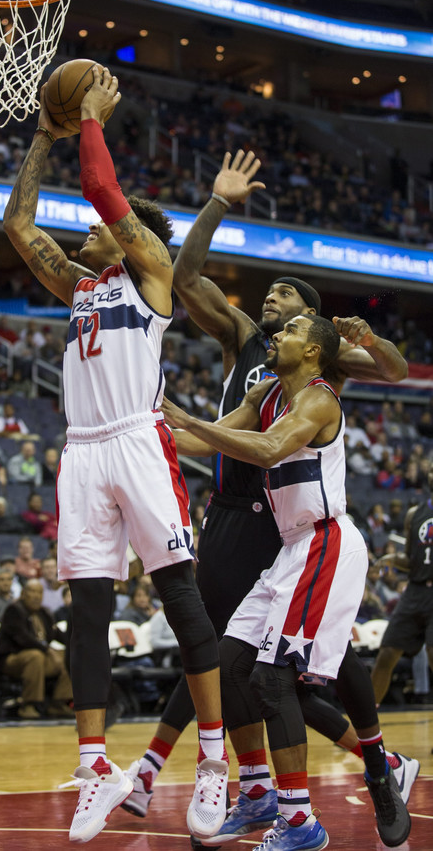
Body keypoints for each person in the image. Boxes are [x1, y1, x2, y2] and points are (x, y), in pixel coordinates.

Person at [124, 153, 417, 841]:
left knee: (293, 670)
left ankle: (362, 768)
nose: (269, 309)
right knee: (233, 664)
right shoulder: (254, 358)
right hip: (255, 525)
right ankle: (274, 790)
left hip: (299, 528)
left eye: (284, 305)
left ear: (312, 332)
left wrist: (368, 338)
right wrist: (152, 431)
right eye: (270, 305)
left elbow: (391, 373)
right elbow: (186, 278)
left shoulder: (317, 383)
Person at [2, 66, 232, 844]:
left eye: (103, 228)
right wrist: (42, 136)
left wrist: (92, 117)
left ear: (133, 236)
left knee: (181, 600)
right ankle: (95, 767)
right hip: (82, 452)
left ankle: (209, 761)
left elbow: (104, 192)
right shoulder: (80, 286)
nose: (88, 230)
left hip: (137, 439)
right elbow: (17, 227)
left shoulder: (153, 279)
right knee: (87, 611)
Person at [161, 313, 411, 850]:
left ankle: (304, 821)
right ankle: (318, 788)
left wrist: (187, 418)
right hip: (291, 550)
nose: (276, 335)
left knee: (275, 680)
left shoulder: (319, 399)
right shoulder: (270, 392)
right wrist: (152, 433)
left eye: (290, 329)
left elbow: (270, 449)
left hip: (325, 544)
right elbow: (218, 441)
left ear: (315, 351)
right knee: (227, 666)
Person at [370, 463, 433, 705]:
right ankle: (367, 729)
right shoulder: (414, 514)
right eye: (431, 470)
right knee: (387, 653)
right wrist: (392, 558)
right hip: (415, 591)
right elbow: (411, 559)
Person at [0, 578, 74, 720]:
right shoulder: (14, 610)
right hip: (11, 658)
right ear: (23, 593)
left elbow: (56, 634)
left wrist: (76, 644)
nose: (36, 596)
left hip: (40, 656)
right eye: (32, 592)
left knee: (71, 655)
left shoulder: (45, 612)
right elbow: (22, 638)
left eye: (40, 593)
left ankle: (59, 702)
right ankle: (28, 704)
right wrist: (48, 650)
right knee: (35, 656)